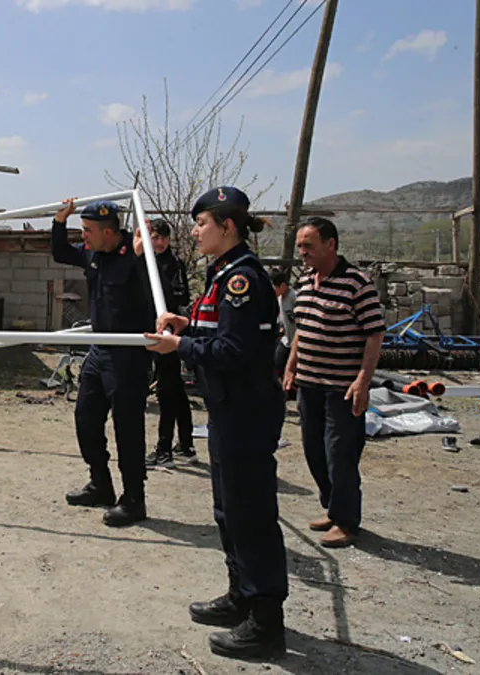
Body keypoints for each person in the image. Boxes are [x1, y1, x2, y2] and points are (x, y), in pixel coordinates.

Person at [143, 186, 287, 659]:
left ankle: (266, 623)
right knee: (229, 511)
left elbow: (234, 351)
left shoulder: (243, 279)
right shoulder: (223, 274)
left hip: (246, 412)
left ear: (227, 227)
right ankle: (240, 596)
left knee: (252, 516)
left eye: (202, 223)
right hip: (229, 410)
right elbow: (219, 333)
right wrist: (187, 326)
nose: (195, 230)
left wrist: (177, 347)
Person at [52, 199, 155, 528]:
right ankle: (101, 485)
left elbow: (159, 289)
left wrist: (144, 256)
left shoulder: (136, 254)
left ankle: (134, 499)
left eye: (87, 231)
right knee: (86, 417)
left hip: (128, 355)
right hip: (100, 350)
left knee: (127, 428)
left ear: (109, 232)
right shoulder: (91, 253)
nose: (83, 237)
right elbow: (60, 252)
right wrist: (58, 221)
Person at [285, 217, 385, 549]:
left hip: (342, 386)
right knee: (314, 450)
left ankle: (346, 521)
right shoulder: (305, 279)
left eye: (308, 245)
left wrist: (363, 381)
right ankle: (332, 507)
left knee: (339, 453)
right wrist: (291, 366)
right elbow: (301, 327)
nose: (303, 252)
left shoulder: (357, 283)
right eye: (300, 246)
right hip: (309, 383)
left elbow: (374, 334)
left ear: (331, 245)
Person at [146, 218, 195, 467]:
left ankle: (164, 450)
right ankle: (185, 445)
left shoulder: (174, 265)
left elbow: (181, 295)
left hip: (167, 331)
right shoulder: (144, 261)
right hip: (149, 328)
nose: (160, 242)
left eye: (164, 237)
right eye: (156, 237)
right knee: (174, 388)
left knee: (167, 389)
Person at [270, 270, 297, 382]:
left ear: (282, 285)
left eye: (274, 288)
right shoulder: (279, 299)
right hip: (286, 340)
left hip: (297, 342)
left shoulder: (294, 297)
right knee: (277, 363)